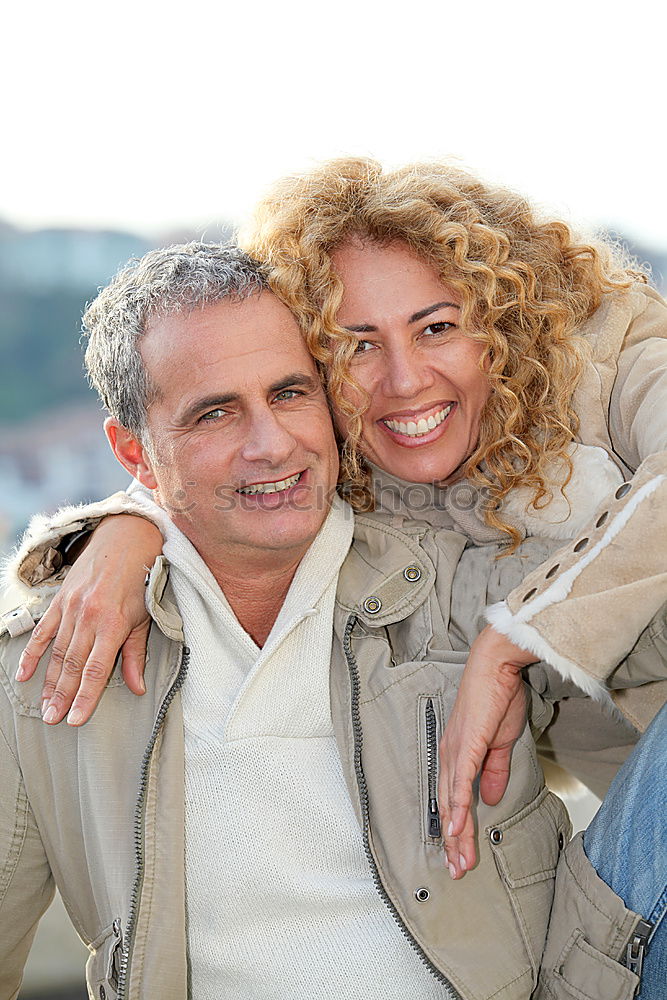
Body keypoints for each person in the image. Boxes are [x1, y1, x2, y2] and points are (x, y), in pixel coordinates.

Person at [5, 154, 667, 992]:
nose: (402, 378)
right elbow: (215, 455)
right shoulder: (386, 519)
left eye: (436, 326)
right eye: (356, 346)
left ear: (500, 320)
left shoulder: (604, 368)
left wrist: (517, 643)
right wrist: (124, 527)